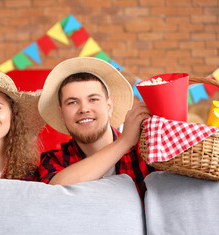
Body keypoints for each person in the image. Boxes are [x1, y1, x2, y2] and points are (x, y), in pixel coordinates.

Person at [36, 57, 155, 199]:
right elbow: (54, 191)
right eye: (72, 102)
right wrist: (124, 142)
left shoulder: (146, 150)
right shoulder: (54, 160)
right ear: (61, 114)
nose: (84, 109)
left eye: (93, 99)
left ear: (109, 106)